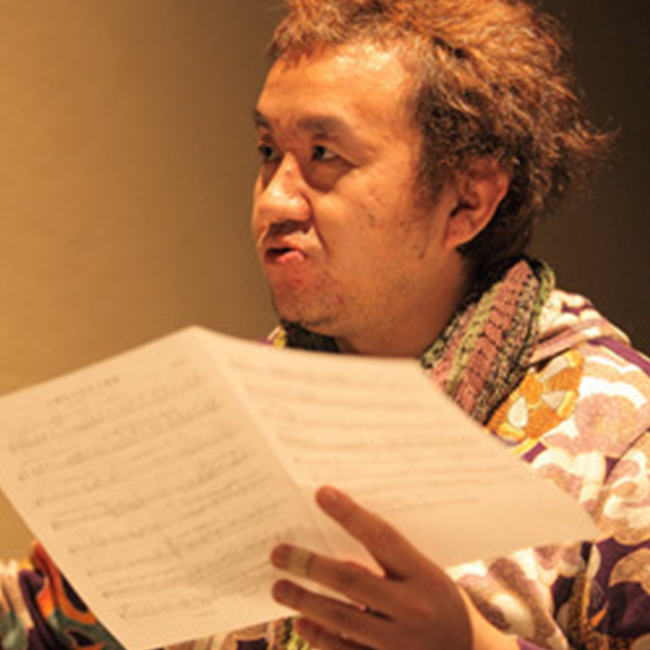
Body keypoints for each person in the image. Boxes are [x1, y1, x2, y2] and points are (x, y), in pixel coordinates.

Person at [2, 0, 650, 649]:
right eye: (267, 152)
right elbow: (45, 624)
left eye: (324, 155)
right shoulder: (223, 420)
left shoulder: (620, 434)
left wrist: (472, 643)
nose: (275, 201)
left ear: (468, 199)